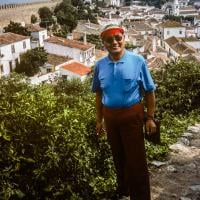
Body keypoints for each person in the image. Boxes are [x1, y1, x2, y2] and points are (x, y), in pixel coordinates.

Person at [92, 24, 156, 200]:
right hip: (111, 118)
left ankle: (141, 196)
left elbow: (149, 91)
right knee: (119, 158)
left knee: (137, 161)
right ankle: (124, 192)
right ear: (103, 43)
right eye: (109, 40)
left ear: (124, 38)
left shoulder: (137, 61)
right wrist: (99, 120)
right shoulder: (100, 66)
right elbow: (99, 94)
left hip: (132, 116)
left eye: (118, 38)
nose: (114, 42)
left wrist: (150, 118)